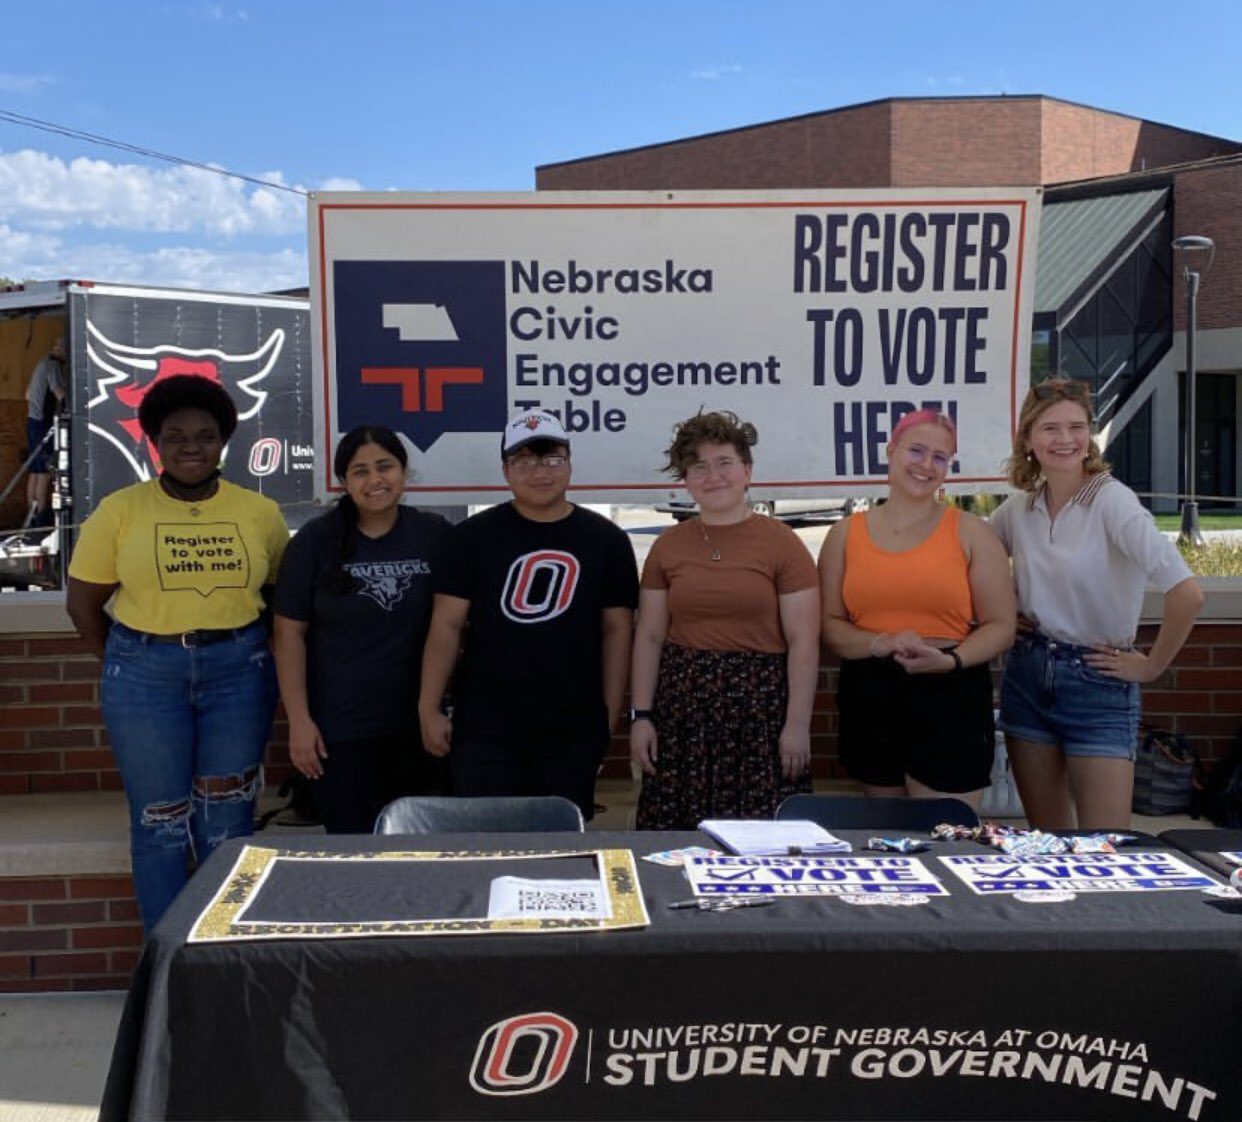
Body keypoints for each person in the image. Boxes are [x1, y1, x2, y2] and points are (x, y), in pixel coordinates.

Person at [65, 374, 288, 930]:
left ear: (224, 442)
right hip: (145, 676)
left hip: (239, 673)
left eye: (207, 435)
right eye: (176, 435)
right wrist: (126, 664)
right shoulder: (120, 511)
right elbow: (82, 605)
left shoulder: (259, 513)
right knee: (160, 822)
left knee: (227, 822)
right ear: (154, 442)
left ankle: (223, 954)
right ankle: (168, 965)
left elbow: (281, 603)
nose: (192, 446)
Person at [991, 379, 1204, 830]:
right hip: (1028, 676)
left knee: (1105, 851)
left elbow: (1187, 591)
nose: (1065, 439)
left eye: (1077, 426)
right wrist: (1004, 611)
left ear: (1090, 435)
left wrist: (1150, 667)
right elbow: (965, 561)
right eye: (1050, 428)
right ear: (1028, 439)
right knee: (1048, 842)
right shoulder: (1019, 508)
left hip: (1099, 681)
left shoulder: (1113, 502)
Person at [418, 408, 638, 820]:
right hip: (486, 726)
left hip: (570, 725)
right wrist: (429, 707)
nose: (541, 472)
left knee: (560, 846)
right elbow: (446, 626)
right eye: (525, 461)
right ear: (506, 470)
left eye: (552, 459)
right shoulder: (471, 538)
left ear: (570, 465)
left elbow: (617, 631)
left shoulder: (605, 540)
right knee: (485, 841)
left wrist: (605, 719)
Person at [630, 410, 820, 828]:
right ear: (686, 480)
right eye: (699, 467)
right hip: (682, 712)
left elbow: (804, 642)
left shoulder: (783, 544)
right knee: (676, 841)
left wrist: (797, 725)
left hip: (761, 712)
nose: (713, 476)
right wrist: (642, 717)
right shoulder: (668, 547)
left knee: (761, 842)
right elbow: (649, 636)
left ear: (747, 471)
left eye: (724, 463)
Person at [818, 409, 1015, 807]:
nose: (927, 465)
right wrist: (881, 643)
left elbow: (1000, 626)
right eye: (917, 451)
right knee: (888, 841)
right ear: (891, 452)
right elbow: (830, 625)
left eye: (940, 457)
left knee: (947, 838)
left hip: (950, 693)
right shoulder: (844, 535)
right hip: (871, 694)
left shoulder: (973, 533)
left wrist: (951, 661)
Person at [273, 426, 450, 833]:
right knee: (354, 852)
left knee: (417, 853)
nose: (375, 481)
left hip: (417, 727)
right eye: (360, 471)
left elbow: (454, 624)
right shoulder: (314, 543)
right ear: (343, 482)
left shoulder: (434, 535)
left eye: (385, 467)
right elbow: (288, 636)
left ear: (404, 472)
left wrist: (435, 708)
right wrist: (299, 722)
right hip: (341, 731)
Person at [25, 336, 67, 529]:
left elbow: (27, 394)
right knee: (44, 473)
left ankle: (31, 518)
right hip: (43, 422)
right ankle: (42, 520)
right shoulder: (53, 366)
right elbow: (60, 393)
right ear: (61, 350)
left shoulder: (41, 363)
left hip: (32, 421)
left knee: (34, 471)